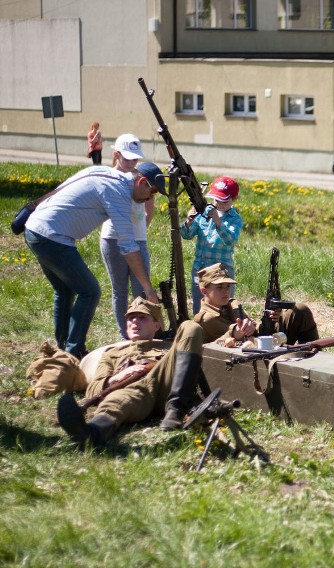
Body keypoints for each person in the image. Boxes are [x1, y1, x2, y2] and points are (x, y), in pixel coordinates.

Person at [24, 162, 164, 359]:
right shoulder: (118, 194)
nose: (150, 198)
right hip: (52, 236)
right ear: (142, 182)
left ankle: (62, 348)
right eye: (152, 192)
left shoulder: (104, 172)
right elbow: (128, 246)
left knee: (65, 290)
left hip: (35, 229)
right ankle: (74, 353)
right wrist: (148, 288)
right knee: (90, 292)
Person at [56, 297, 206, 446]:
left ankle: (176, 410)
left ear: (156, 325)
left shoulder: (171, 347)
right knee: (116, 402)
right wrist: (115, 378)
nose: (135, 321)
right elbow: (93, 390)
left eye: (142, 318)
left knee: (190, 326)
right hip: (134, 392)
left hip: (166, 385)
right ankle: (91, 433)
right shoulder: (111, 353)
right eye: (131, 318)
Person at [100, 134, 156, 339]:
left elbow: (150, 202)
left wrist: (142, 228)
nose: (132, 162)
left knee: (141, 289)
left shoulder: (140, 177)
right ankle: (124, 335)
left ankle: (142, 332)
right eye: (128, 158)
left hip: (138, 241)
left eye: (136, 158)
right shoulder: (109, 178)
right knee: (120, 290)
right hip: (112, 240)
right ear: (116, 155)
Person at [193, 262, 319, 345]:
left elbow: (255, 328)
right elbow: (211, 349)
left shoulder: (233, 304)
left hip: (260, 342)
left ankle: (313, 356)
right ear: (204, 290)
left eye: (227, 286)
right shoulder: (205, 319)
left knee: (299, 310)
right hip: (244, 357)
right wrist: (235, 333)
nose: (226, 291)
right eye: (219, 287)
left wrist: (274, 319)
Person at [180, 176, 243, 314]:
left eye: (224, 201)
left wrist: (217, 220)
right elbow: (186, 235)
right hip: (200, 269)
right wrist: (189, 221)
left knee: (223, 306)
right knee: (199, 305)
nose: (219, 203)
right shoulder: (203, 214)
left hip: (222, 271)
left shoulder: (235, 219)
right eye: (216, 199)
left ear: (234, 199)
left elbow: (230, 240)